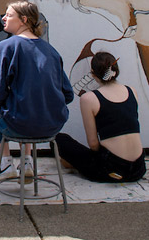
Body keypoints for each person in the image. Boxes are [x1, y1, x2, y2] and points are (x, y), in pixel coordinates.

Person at [0, 1, 74, 181]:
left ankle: (6, 162)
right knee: (26, 105)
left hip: (19, 125)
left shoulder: (6, 47)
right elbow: (68, 94)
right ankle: (27, 161)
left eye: (9, 15)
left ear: (23, 20)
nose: (3, 18)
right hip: (52, 125)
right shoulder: (51, 51)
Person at [55, 52, 146, 182]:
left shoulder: (89, 98)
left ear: (93, 74)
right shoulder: (132, 91)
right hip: (139, 169)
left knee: (60, 139)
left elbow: (93, 144)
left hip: (110, 170)